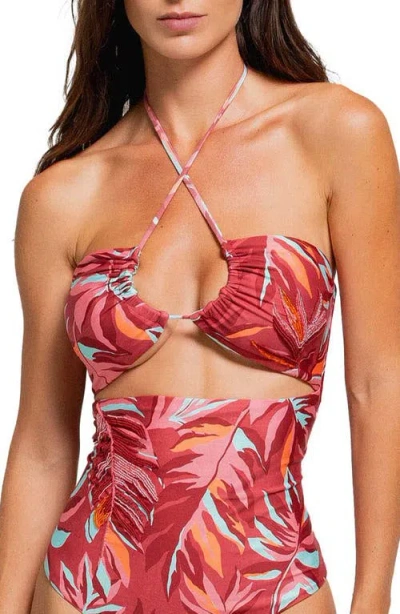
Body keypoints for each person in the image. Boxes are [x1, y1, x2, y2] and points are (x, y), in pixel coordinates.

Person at [1, 0, 399, 612]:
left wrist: (372, 597)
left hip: (274, 584)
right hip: (85, 587)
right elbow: (43, 442)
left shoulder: (336, 133)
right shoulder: (62, 196)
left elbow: (378, 382)